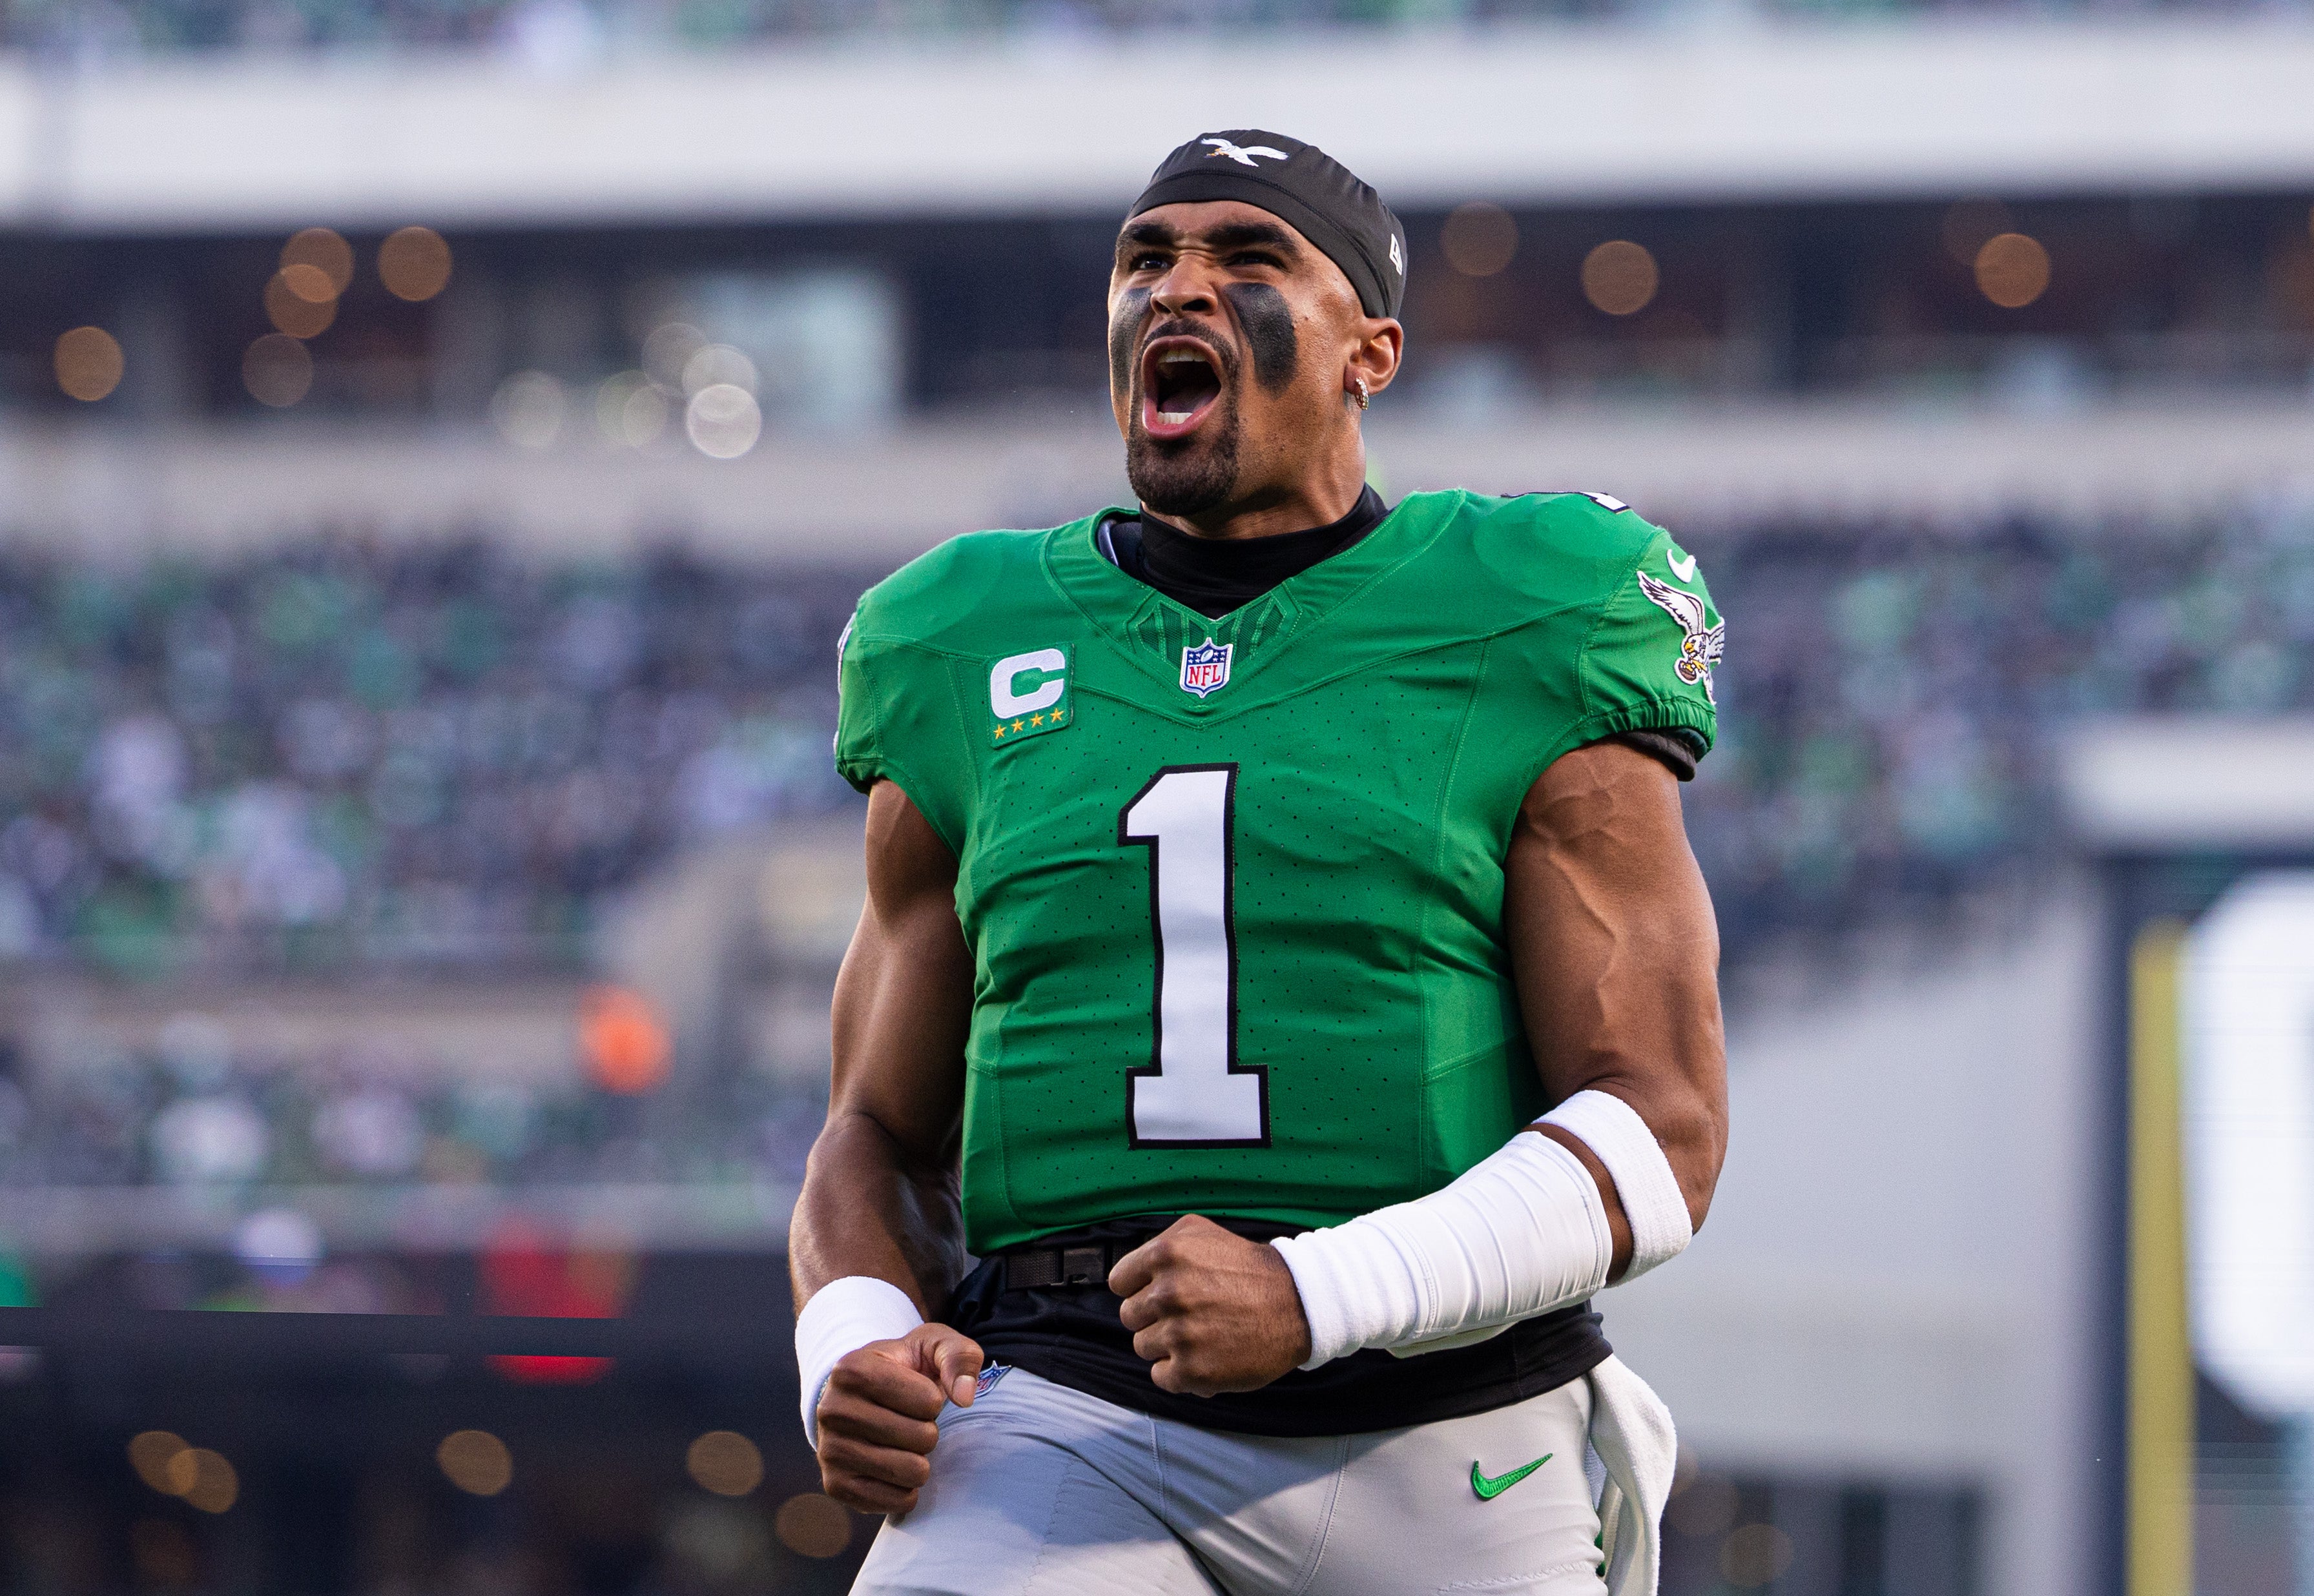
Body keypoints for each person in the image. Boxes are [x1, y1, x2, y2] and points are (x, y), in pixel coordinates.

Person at [790, 129, 1728, 1596]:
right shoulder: (956, 637)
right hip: (1063, 1399)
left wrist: (1313, 1291)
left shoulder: (1531, 602)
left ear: (1373, 349)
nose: (1179, 288)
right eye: (1145, 259)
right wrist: (850, 1334)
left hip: (1452, 1426)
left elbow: (1662, 1135)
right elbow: (874, 1133)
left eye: (1247, 258)